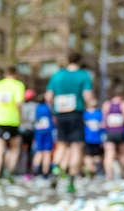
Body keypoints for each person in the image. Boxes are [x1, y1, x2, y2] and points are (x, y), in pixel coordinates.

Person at [45, 51, 94, 193]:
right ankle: (71, 182)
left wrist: (53, 110)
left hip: (60, 114)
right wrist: (91, 104)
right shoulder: (84, 75)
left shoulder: (57, 75)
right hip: (76, 114)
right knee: (76, 148)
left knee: (61, 145)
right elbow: (87, 96)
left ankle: (56, 167)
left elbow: (48, 96)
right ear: (79, 61)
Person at [0, 66, 25, 185]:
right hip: (13, 121)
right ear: (16, 74)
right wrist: (21, 117)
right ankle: (8, 172)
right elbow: (19, 103)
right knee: (14, 149)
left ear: (5, 73)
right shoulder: (18, 85)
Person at [102, 85, 124, 181]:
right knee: (123, 153)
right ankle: (122, 173)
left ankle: (108, 175)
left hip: (110, 132)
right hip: (121, 131)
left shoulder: (106, 104)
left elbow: (103, 121)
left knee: (109, 154)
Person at [31, 94, 55, 178]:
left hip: (38, 132)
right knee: (47, 152)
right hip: (47, 132)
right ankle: (45, 172)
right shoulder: (48, 107)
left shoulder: (36, 108)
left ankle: (34, 170)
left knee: (39, 152)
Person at [83, 98, 104, 178]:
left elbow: (103, 125)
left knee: (97, 156)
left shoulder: (99, 113)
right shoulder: (84, 114)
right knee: (88, 155)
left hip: (97, 139)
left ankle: (95, 170)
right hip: (87, 138)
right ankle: (90, 171)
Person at [20, 89, 37, 176]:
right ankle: (28, 169)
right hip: (30, 130)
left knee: (20, 150)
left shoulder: (21, 105)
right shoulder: (34, 106)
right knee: (30, 151)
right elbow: (34, 119)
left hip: (21, 130)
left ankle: (20, 168)